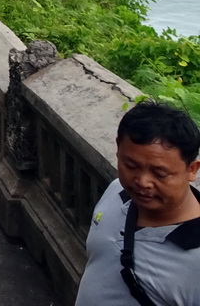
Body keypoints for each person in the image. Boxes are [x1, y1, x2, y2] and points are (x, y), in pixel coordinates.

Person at [75, 100, 200, 306]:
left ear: (192, 170)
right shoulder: (117, 191)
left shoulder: (195, 259)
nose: (142, 182)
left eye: (159, 173)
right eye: (130, 165)